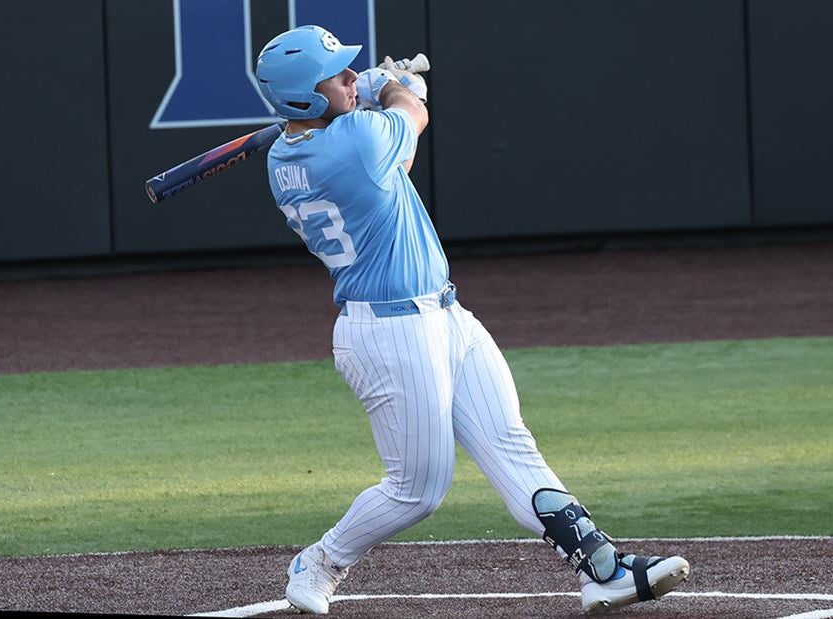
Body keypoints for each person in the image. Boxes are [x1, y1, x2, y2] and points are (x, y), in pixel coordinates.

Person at [254, 25, 690, 615]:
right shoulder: (352, 142)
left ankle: (604, 570)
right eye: (339, 75)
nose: (352, 77)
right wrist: (394, 82)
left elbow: (398, 156)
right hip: (388, 333)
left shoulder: (290, 155)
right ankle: (323, 560)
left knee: (511, 443)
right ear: (304, 98)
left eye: (353, 70)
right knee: (418, 490)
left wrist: (373, 94)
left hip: (445, 313)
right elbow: (413, 112)